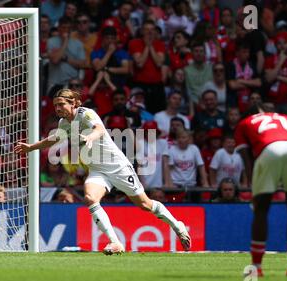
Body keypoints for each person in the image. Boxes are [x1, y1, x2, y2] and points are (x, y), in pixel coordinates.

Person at [15, 89, 191, 254]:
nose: (58, 108)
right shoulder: (64, 122)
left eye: (61, 104)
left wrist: (90, 137)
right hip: (97, 170)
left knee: (144, 204)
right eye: (55, 105)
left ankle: (178, 226)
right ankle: (115, 242)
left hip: (118, 166)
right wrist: (31, 147)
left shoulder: (86, 114)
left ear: (73, 103)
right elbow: (54, 138)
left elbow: (99, 129)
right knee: (90, 198)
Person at [235, 106, 287, 279]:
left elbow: (247, 159)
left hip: (269, 148)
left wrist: (255, 189)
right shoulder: (285, 117)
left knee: (261, 209)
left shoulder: (244, 123)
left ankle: (256, 267)